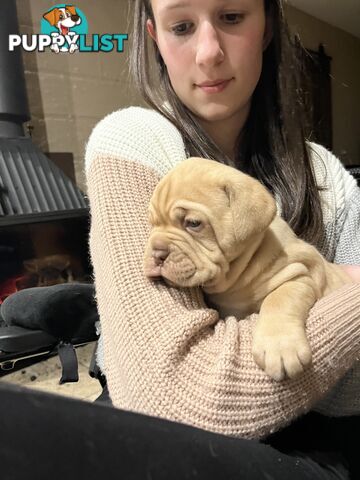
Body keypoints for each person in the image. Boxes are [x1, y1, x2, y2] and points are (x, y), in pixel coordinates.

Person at [85, 0, 360, 477]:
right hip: (168, 446)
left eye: (232, 18)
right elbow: (174, 394)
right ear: (156, 39)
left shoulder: (325, 174)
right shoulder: (133, 142)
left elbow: (353, 393)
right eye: (182, 26)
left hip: (314, 437)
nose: (209, 52)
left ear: (268, 26)